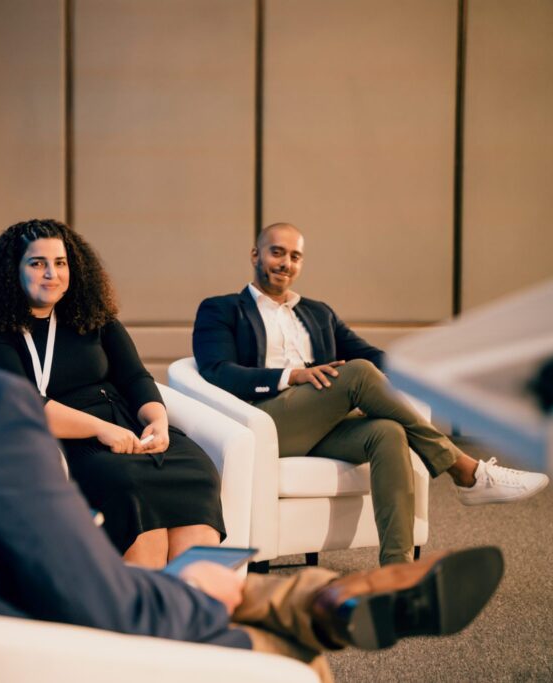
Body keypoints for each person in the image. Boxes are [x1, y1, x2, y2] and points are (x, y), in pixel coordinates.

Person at [0, 174, 504, 682]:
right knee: (289, 658)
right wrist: (208, 594)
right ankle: (302, 604)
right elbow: (96, 598)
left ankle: (310, 594)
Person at [193, 222, 549, 566]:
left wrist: (415, 374)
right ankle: (464, 470)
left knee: (387, 433)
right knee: (358, 374)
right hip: (266, 422)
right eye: (277, 252)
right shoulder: (222, 309)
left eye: (296, 256)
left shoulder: (317, 313)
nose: (286, 263)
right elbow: (217, 371)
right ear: (256, 254)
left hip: (321, 424)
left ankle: (397, 570)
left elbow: (371, 354)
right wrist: (292, 375)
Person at [0, 219, 223, 569]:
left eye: (60, 263)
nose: (51, 274)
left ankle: (196, 607)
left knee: (199, 471)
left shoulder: (93, 318)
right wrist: (101, 429)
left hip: (129, 426)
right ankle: (142, 611)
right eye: (37, 263)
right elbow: (23, 406)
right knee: (128, 483)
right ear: (14, 271)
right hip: (75, 438)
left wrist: (158, 422)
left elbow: (135, 378)